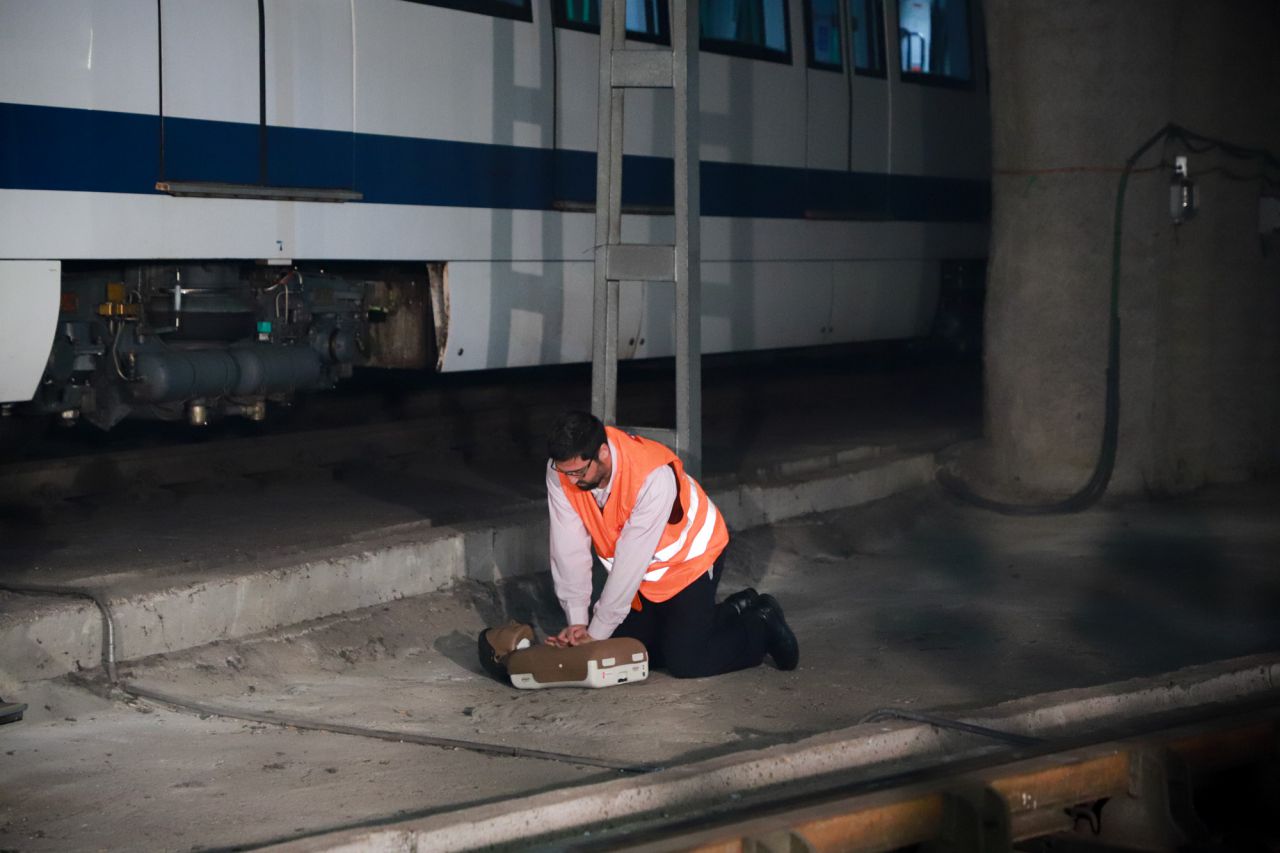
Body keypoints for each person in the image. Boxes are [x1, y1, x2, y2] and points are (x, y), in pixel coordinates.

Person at [543, 410, 798, 677]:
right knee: (636, 651)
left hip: (691, 560)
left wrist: (595, 633)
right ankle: (735, 608)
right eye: (564, 472)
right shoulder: (560, 472)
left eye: (578, 472)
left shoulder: (652, 477)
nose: (570, 480)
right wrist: (578, 623)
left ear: (603, 453)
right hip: (649, 577)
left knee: (686, 662)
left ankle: (761, 625)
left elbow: (632, 559)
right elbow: (567, 548)